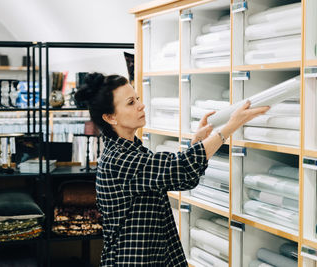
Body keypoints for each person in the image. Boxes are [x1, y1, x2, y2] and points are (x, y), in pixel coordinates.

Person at [74, 73, 269, 266]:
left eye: (138, 99)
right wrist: (231, 125)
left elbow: (182, 178)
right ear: (110, 117)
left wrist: (197, 142)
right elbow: (180, 168)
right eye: (131, 102)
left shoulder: (133, 150)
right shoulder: (119, 160)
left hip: (155, 256)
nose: (141, 105)